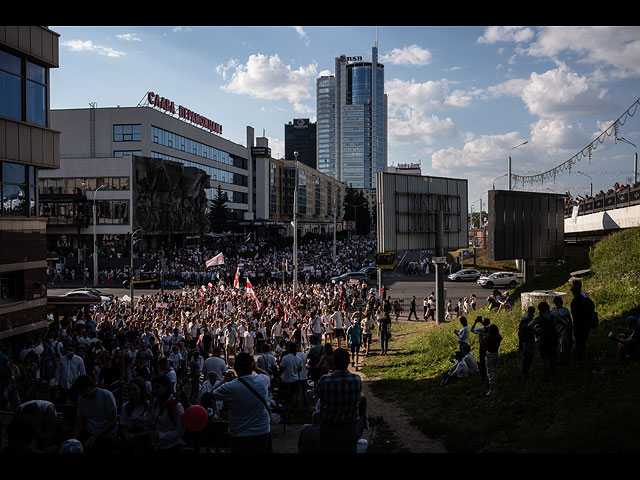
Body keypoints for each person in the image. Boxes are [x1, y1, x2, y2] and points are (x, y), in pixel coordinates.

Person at [211, 352, 272, 454]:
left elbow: (212, 394)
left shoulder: (230, 387)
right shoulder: (262, 381)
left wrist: (224, 380)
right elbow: (268, 376)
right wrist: (256, 368)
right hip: (262, 431)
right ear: (251, 366)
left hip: (240, 433)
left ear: (236, 368)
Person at [314, 348, 362, 453]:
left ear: (333, 362)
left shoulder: (325, 380)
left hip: (329, 427)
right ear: (348, 362)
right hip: (350, 427)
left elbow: (318, 395)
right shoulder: (356, 379)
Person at [72, 375, 118, 453]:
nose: (83, 394)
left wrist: (94, 436)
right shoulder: (81, 398)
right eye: (80, 392)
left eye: (85, 391)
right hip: (89, 431)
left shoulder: (106, 395)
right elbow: (80, 420)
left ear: (93, 387)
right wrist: (74, 438)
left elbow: (112, 421)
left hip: (106, 433)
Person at [529, 301, 567, 382]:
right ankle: (553, 372)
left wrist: (536, 332)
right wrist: (559, 331)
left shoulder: (539, 318)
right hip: (553, 339)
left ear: (540, 309)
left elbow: (530, 326)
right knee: (552, 356)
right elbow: (565, 323)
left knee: (544, 358)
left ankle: (546, 376)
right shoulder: (554, 316)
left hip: (543, 339)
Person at [149, 374, 185, 452]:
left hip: (172, 447)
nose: (154, 390)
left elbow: (180, 430)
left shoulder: (175, 406)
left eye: (158, 387)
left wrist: (160, 436)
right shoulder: (156, 402)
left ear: (166, 387)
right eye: (153, 387)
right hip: (157, 446)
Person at [118, 377, 152, 453]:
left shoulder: (150, 406)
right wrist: (126, 434)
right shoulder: (126, 406)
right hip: (131, 442)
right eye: (129, 390)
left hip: (146, 441)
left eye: (134, 389)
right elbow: (123, 426)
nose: (131, 392)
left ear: (142, 390)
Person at [570, 279, 596, 361]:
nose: (572, 293)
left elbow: (575, 315)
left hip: (579, 325)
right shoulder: (586, 300)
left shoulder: (575, 303)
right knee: (582, 342)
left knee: (580, 343)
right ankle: (582, 358)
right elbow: (592, 309)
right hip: (585, 325)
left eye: (573, 291)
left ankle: (581, 359)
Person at [518, 306, 537, 380]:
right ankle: (526, 373)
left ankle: (525, 373)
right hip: (530, 341)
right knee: (529, 357)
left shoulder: (523, 319)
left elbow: (520, 332)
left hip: (524, 341)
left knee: (526, 357)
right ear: (534, 312)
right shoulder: (533, 320)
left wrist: (520, 342)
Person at [484, 324, 502, 395]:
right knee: (494, 370)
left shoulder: (490, 338)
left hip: (490, 355)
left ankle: (492, 388)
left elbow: (484, 342)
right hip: (496, 353)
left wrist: (486, 333)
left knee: (490, 372)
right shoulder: (498, 337)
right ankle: (495, 385)